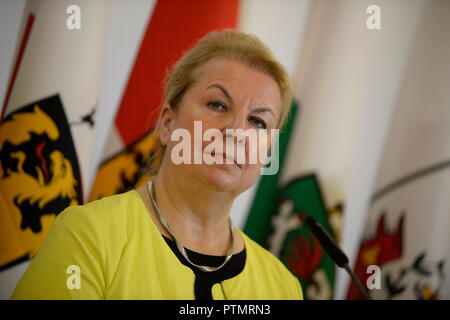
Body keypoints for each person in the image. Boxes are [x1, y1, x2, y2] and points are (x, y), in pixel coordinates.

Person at [12, 29, 303, 300]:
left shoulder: (283, 287)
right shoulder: (88, 234)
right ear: (167, 123)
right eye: (217, 105)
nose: (237, 131)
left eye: (258, 122)